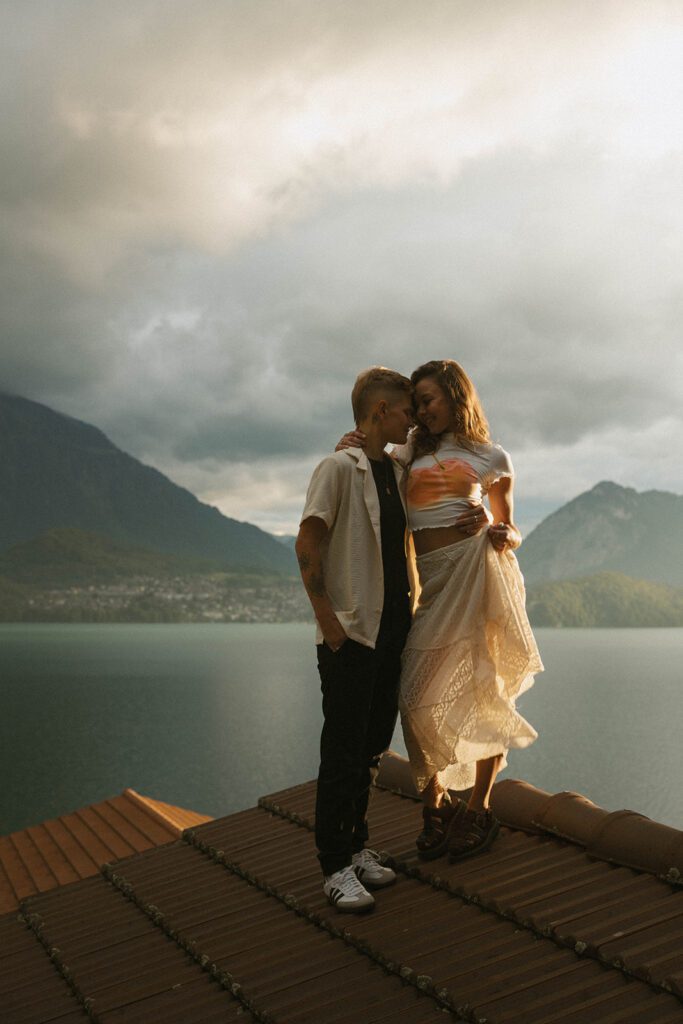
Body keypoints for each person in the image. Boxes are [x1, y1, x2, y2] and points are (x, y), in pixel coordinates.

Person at [338, 359, 543, 863]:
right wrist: (353, 442)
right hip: (432, 587)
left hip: (478, 574)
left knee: (486, 689)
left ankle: (478, 807)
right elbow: (374, 449)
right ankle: (437, 802)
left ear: (456, 397)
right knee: (413, 695)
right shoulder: (408, 454)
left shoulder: (492, 457)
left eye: (428, 400)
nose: (421, 410)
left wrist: (501, 532)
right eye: (417, 403)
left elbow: (512, 530)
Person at [296, 367, 414, 913]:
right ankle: (333, 866)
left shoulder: (395, 467)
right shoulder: (338, 468)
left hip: (393, 633)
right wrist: (329, 622)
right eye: (405, 407)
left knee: (370, 749)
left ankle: (357, 845)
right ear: (380, 411)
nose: (412, 415)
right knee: (342, 751)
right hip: (352, 635)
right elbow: (308, 541)